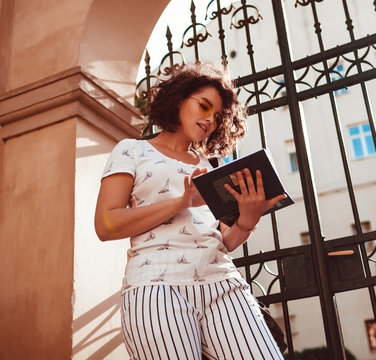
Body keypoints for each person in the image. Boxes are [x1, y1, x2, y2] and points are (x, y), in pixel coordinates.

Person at [94, 63, 286, 360]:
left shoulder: (210, 167)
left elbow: (226, 239)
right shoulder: (131, 150)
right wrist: (181, 202)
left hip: (223, 283)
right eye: (205, 106)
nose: (210, 119)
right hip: (156, 286)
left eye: (218, 115)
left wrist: (248, 217)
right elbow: (107, 225)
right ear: (179, 99)